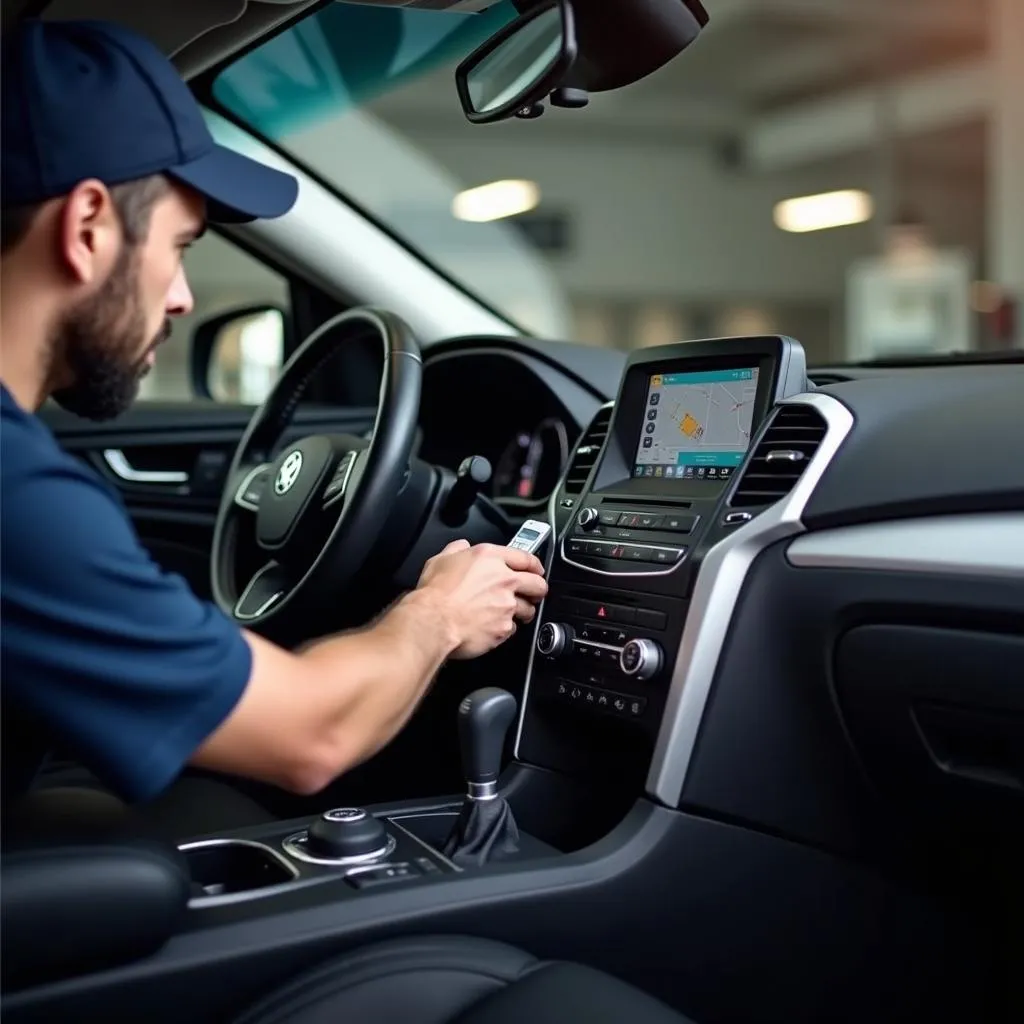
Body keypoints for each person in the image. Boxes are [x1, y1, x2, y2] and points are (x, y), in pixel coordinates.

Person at [0, 19, 548, 840]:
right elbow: (312, 736)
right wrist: (439, 610)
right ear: (86, 229)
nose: (182, 297)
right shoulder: (17, 494)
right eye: (179, 247)